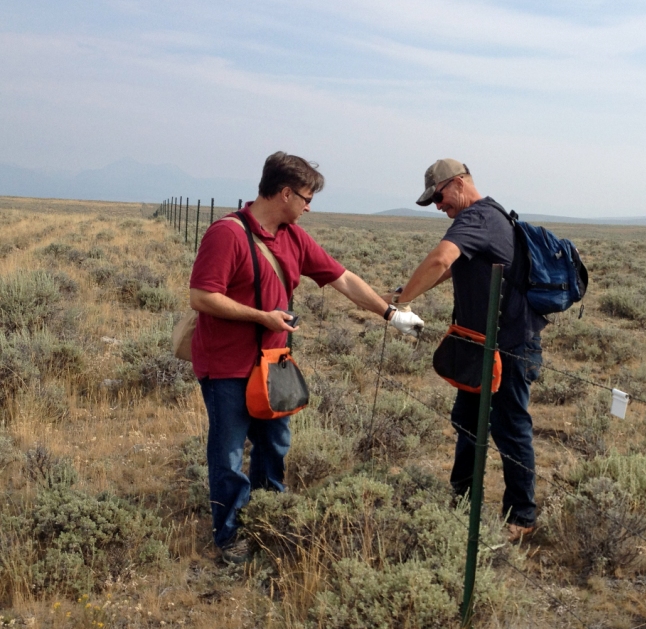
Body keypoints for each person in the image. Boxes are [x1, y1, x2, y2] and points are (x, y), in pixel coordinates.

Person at [189, 152, 423, 563]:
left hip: (274, 364)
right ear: (284, 193)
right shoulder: (226, 234)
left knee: (274, 448)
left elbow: (343, 278)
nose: (309, 207)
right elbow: (202, 296)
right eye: (306, 197)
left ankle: (269, 519)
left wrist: (389, 314)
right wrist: (261, 315)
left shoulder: (293, 236)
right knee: (228, 455)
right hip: (227, 366)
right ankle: (230, 538)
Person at [388, 159, 545, 542]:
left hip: (506, 346)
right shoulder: (487, 218)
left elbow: (441, 258)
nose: (439, 207)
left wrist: (399, 304)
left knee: (510, 429)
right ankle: (461, 497)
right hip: (478, 343)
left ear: (457, 184)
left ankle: (522, 517)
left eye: (439, 198)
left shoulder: (477, 217)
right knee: (468, 423)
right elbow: (450, 268)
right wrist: (402, 295)